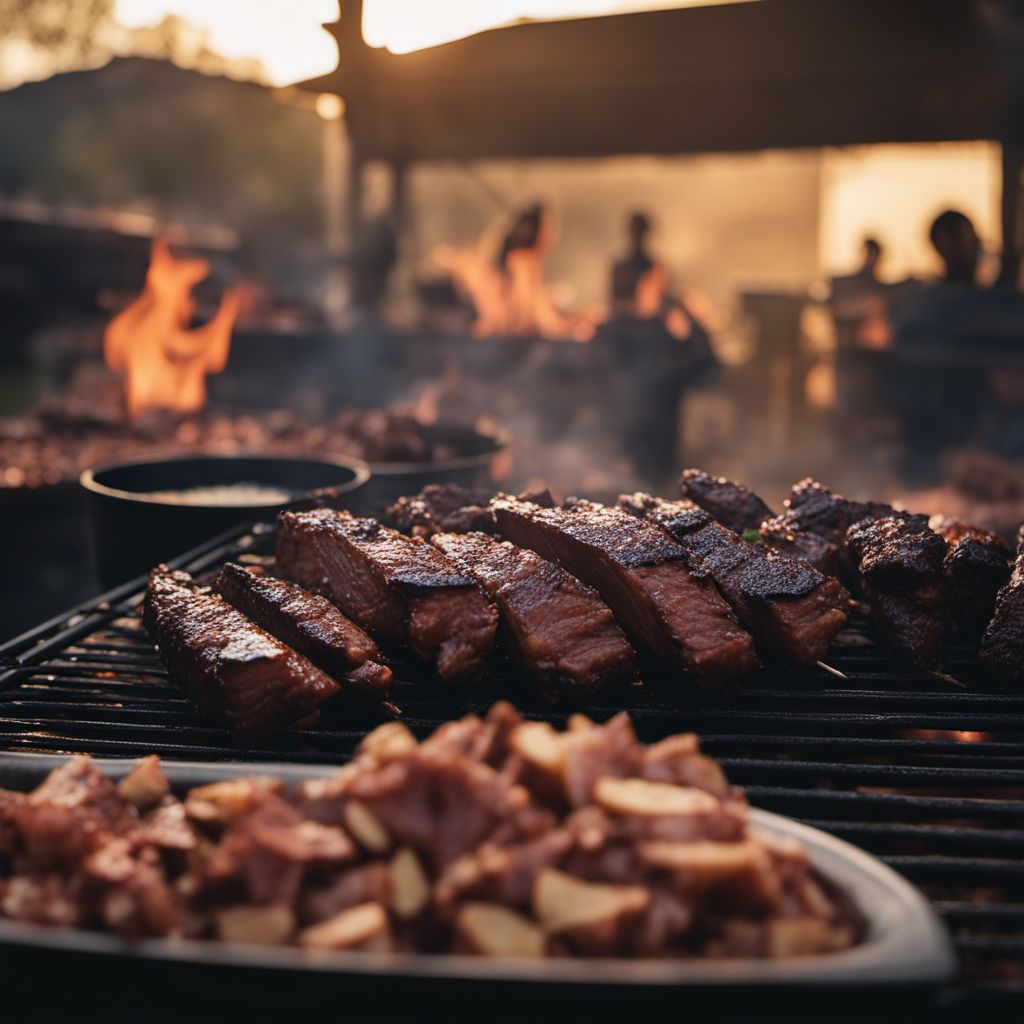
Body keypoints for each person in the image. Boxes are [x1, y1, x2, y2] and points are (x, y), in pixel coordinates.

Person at [594, 212, 718, 489]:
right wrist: (687, 314)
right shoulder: (653, 336)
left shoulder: (610, 334)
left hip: (632, 446)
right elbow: (705, 359)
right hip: (635, 445)